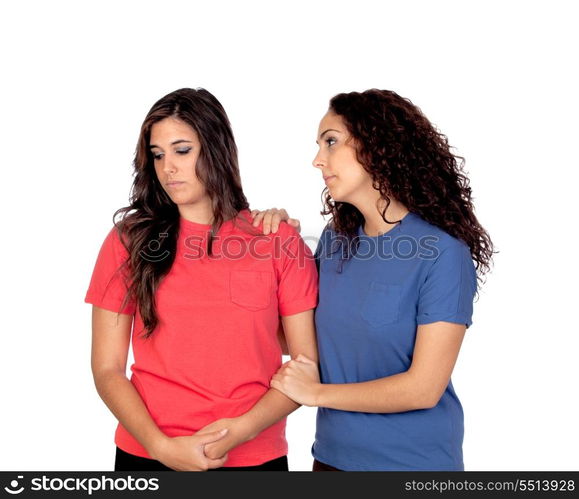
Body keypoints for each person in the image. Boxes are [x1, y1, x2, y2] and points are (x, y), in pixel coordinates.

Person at [251, 89, 495, 471]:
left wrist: (316, 393)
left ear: (376, 144)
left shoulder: (443, 253)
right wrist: (278, 250)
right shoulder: (335, 240)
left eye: (331, 142)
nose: (318, 160)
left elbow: (423, 388)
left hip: (412, 467)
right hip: (330, 460)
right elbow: (297, 338)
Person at [84, 88, 318, 471]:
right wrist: (161, 447)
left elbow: (305, 365)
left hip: (252, 457)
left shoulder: (278, 240)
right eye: (157, 155)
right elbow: (107, 369)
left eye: (181, 150)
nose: (167, 168)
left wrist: (239, 432)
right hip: (146, 452)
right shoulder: (129, 241)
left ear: (216, 149)